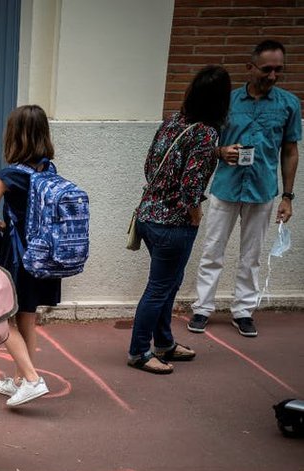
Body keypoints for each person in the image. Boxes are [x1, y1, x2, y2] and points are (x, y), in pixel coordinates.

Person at [187, 40, 301, 338]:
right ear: (250, 68)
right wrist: (220, 151)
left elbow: (290, 151)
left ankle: (243, 311)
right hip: (226, 187)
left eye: (278, 70)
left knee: (251, 256)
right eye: (266, 69)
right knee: (213, 251)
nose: (272, 76)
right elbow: (204, 142)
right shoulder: (228, 101)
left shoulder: (288, 104)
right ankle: (202, 308)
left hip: (263, 190)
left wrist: (287, 196)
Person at [128, 66, 231, 374]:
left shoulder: (173, 121)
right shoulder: (207, 133)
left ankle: (164, 343)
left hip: (148, 217)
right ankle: (138, 352)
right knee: (160, 288)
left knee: (168, 284)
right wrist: (195, 213)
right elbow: (191, 186)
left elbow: (149, 165)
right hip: (173, 225)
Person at [0, 105, 54, 406]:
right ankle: (21, 380)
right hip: (40, 254)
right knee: (27, 320)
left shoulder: (7, 175)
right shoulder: (48, 170)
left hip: (17, 259)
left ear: (14, 137)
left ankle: (32, 379)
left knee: (2, 319)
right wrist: (10, 222)